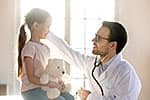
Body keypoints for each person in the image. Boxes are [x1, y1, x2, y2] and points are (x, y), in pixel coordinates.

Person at [46, 21, 141, 100]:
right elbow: (68, 52)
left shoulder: (126, 73)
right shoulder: (91, 63)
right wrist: (47, 33)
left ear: (112, 45)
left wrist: (89, 97)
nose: (93, 40)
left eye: (98, 38)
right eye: (95, 36)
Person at [17, 8, 74, 100]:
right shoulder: (29, 48)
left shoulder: (46, 48)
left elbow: (48, 70)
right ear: (35, 25)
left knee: (70, 97)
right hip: (31, 90)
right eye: (47, 26)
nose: (49, 30)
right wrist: (50, 84)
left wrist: (58, 80)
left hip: (44, 87)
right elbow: (31, 77)